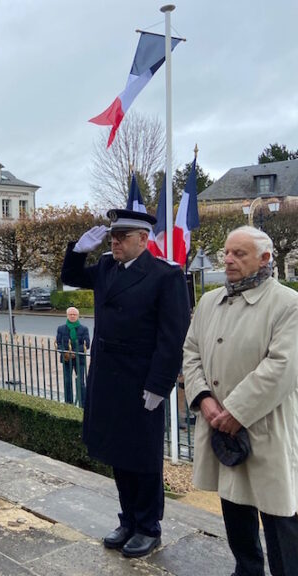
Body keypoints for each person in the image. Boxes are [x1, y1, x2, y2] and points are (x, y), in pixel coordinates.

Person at [61, 209, 190, 558]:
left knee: (144, 457)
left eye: (122, 237)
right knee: (118, 453)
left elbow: (172, 335)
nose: (114, 243)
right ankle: (128, 519)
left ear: (143, 240)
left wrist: (159, 384)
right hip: (108, 377)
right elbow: (71, 276)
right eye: (112, 238)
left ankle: (149, 526)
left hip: (140, 381)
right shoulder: (106, 268)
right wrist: (78, 250)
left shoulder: (166, 276)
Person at [183, 226, 298, 576]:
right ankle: (246, 570)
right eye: (226, 253)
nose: (229, 260)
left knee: (279, 513)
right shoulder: (209, 301)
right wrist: (203, 399)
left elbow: (282, 367)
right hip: (218, 423)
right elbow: (191, 353)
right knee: (233, 503)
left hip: (265, 427)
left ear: (265, 259)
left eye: (239, 254)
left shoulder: (288, 304)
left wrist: (236, 411)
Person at [55, 306, 90, 405]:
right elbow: (58, 343)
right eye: (70, 314)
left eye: (74, 314)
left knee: (81, 381)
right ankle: (68, 402)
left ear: (78, 316)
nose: (73, 316)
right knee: (67, 381)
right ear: (67, 315)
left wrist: (74, 352)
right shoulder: (61, 328)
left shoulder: (84, 329)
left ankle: (83, 403)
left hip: (79, 359)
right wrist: (64, 352)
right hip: (66, 359)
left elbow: (86, 344)